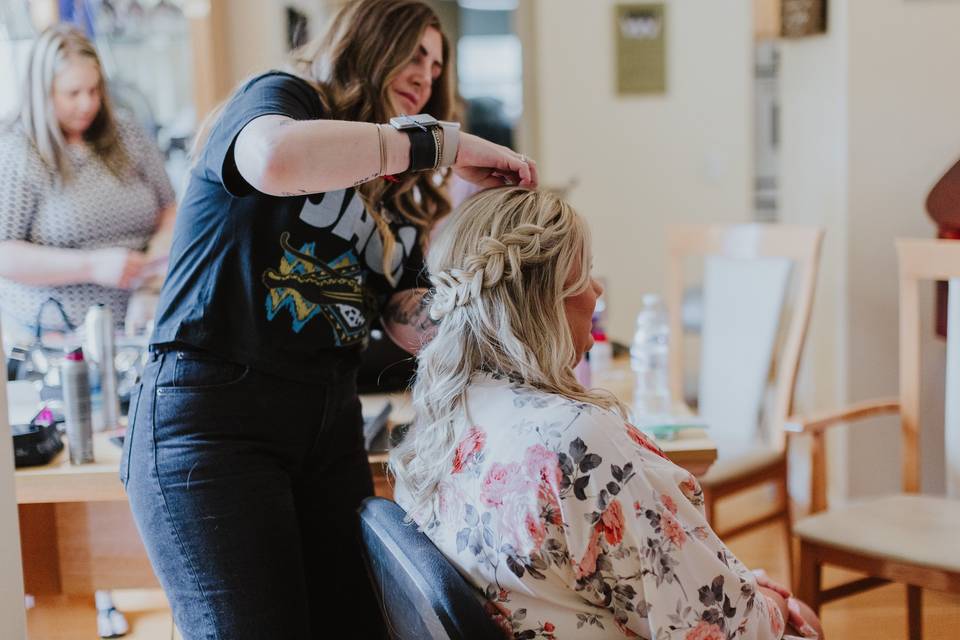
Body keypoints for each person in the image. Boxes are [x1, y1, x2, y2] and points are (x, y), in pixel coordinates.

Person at [122, 0, 537, 638]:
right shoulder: (284, 99)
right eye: (414, 53)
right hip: (213, 421)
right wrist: (440, 142)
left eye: (437, 64)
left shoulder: (395, 193)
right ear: (370, 40)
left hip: (327, 423)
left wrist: (486, 276)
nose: (427, 74)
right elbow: (272, 161)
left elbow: (403, 319)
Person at [390, 187, 824, 639]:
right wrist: (774, 604)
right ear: (544, 301)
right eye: (586, 274)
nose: (596, 291)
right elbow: (726, 630)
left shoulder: (446, 413)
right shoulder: (574, 441)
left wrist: (741, 588)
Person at [0, 25, 176, 336]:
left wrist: (149, 281)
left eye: (94, 90)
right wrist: (93, 266)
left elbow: (169, 209)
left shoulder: (125, 131)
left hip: (143, 319)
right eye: (73, 94)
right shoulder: (19, 151)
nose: (87, 104)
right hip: (59, 333)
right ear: (43, 93)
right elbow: (5, 254)